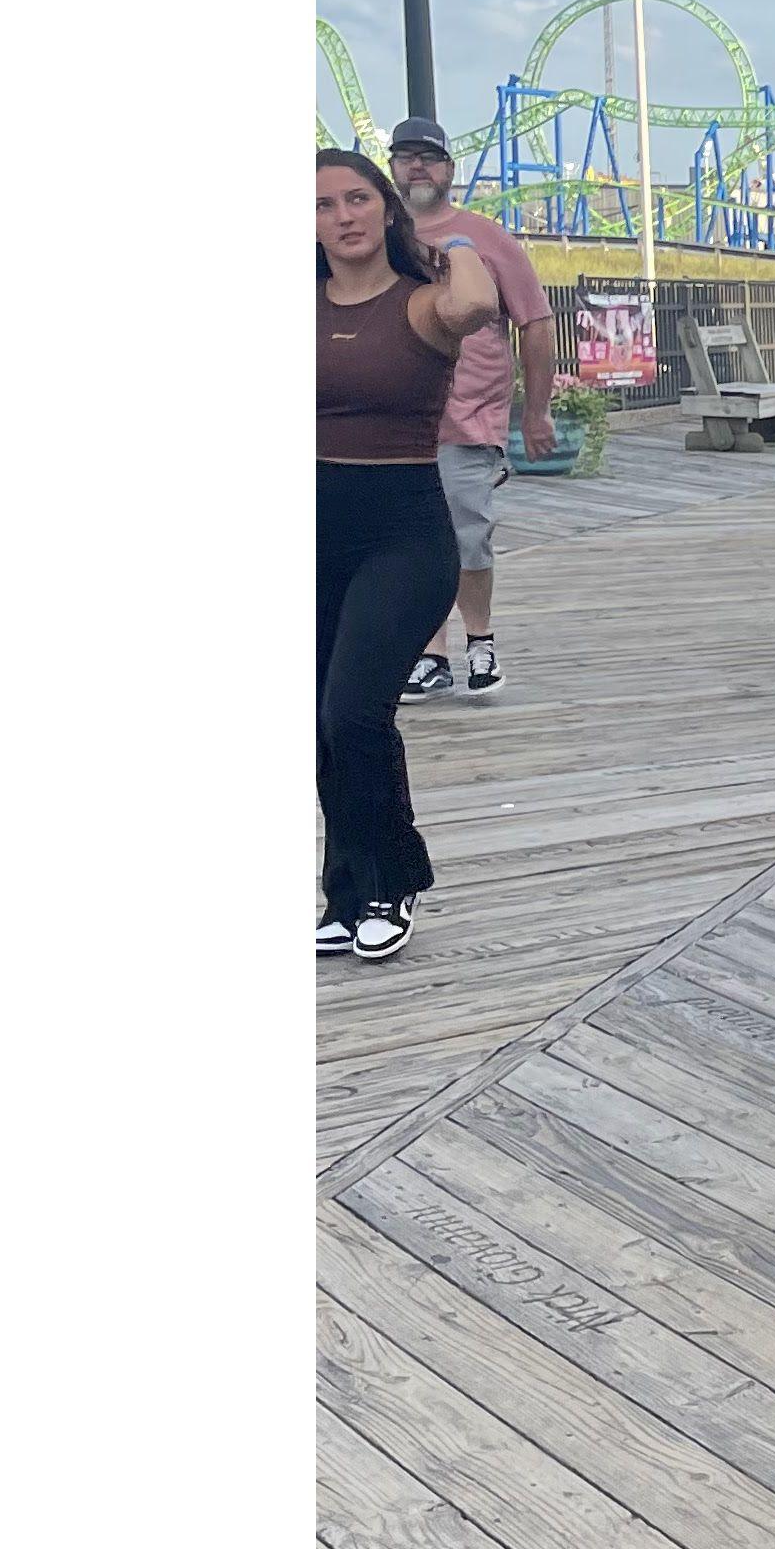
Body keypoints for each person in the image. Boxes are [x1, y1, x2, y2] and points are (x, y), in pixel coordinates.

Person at [317, 149, 506, 959]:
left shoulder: (425, 303)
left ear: (387, 208)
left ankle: (393, 882)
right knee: (316, 722)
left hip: (402, 528)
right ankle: (346, 891)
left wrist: (451, 243)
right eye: (322, 205)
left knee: (355, 711)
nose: (342, 216)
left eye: (358, 198)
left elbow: (479, 301)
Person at [387, 120, 556, 701]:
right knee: (408, 539)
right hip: (395, 416)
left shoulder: (485, 236)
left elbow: (534, 321)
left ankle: (479, 638)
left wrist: (537, 412)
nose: (417, 169)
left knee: (465, 534)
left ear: (450, 170)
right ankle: (430, 652)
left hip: (468, 416)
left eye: (429, 159)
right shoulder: (378, 237)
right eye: (406, 158)